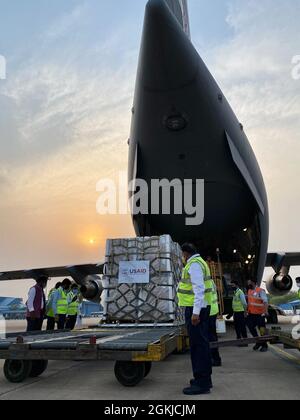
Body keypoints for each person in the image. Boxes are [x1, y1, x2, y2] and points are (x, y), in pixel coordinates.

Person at [177, 243, 213, 396]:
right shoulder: (200, 262)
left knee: (198, 347)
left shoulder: (194, 265)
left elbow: (199, 290)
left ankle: (202, 383)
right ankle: (203, 379)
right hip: (199, 308)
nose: (182, 258)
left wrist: (195, 313)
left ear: (186, 253)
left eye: (182, 255)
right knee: (201, 345)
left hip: (195, 309)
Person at [247, 279, 269, 352]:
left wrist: (266, 311)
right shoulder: (249, 290)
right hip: (251, 314)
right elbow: (250, 302)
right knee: (250, 327)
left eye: (249, 283)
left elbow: (265, 301)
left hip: (260, 314)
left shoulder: (260, 291)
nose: (248, 284)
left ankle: (264, 345)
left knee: (262, 330)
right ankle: (258, 341)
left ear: (253, 282)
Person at [208, 278, 222, 367]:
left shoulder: (205, 282)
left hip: (208, 312)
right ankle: (215, 358)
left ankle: (215, 359)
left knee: (210, 338)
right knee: (212, 337)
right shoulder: (211, 281)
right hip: (212, 311)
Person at [231, 280, 248, 346]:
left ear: (236, 285)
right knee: (237, 327)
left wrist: (245, 312)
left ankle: (245, 342)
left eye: (233, 285)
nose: (232, 286)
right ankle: (239, 340)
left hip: (240, 312)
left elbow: (244, 303)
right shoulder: (235, 292)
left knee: (242, 327)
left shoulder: (240, 292)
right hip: (236, 312)